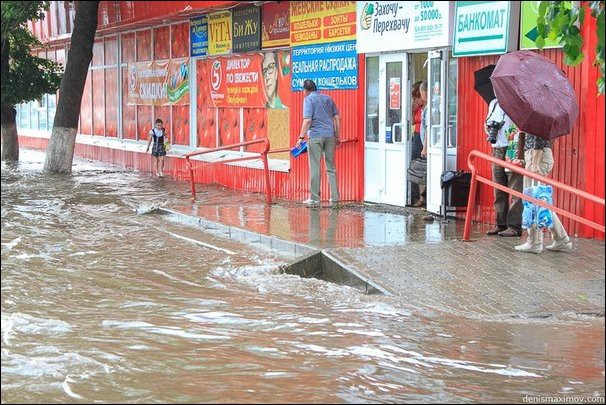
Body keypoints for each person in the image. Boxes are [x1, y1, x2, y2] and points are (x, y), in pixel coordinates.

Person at [515, 132, 572, 253]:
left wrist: (535, 164)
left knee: (534, 201)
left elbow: (538, 138)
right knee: (540, 202)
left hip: (537, 158)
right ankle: (561, 238)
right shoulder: (537, 115)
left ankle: (535, 242)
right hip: (537, 156)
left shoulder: (537, 116)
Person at [295, 79, 340, 205]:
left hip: (315, 136)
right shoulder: (327, 98)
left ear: (305, 90)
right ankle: (335, 198)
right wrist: (338, 135)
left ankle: (314, 198)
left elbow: (307, 120)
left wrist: (300, 137)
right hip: (330, 136)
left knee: (315, 166)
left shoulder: (308, 100)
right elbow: (337, 117)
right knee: (331, 167)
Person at [485, 98, 523, 237]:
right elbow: (486, 123)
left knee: (515, 189)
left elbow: (520, 126)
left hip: (512, 147)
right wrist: (489, 128)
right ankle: (500, 224)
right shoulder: (493, 103)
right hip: (497, 149)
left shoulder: (517, 102)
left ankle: (514, 227)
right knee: (499, 189)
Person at [410, 80, 426, 207]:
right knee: (418, 168)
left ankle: (425, 196)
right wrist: (412, 107)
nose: (417, 100)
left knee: (425, 168)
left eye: (418, 97)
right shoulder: (418, 109)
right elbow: (410, 122)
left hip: (424, 138)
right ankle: (420, 197)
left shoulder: (427, 108)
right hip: (417, 136)